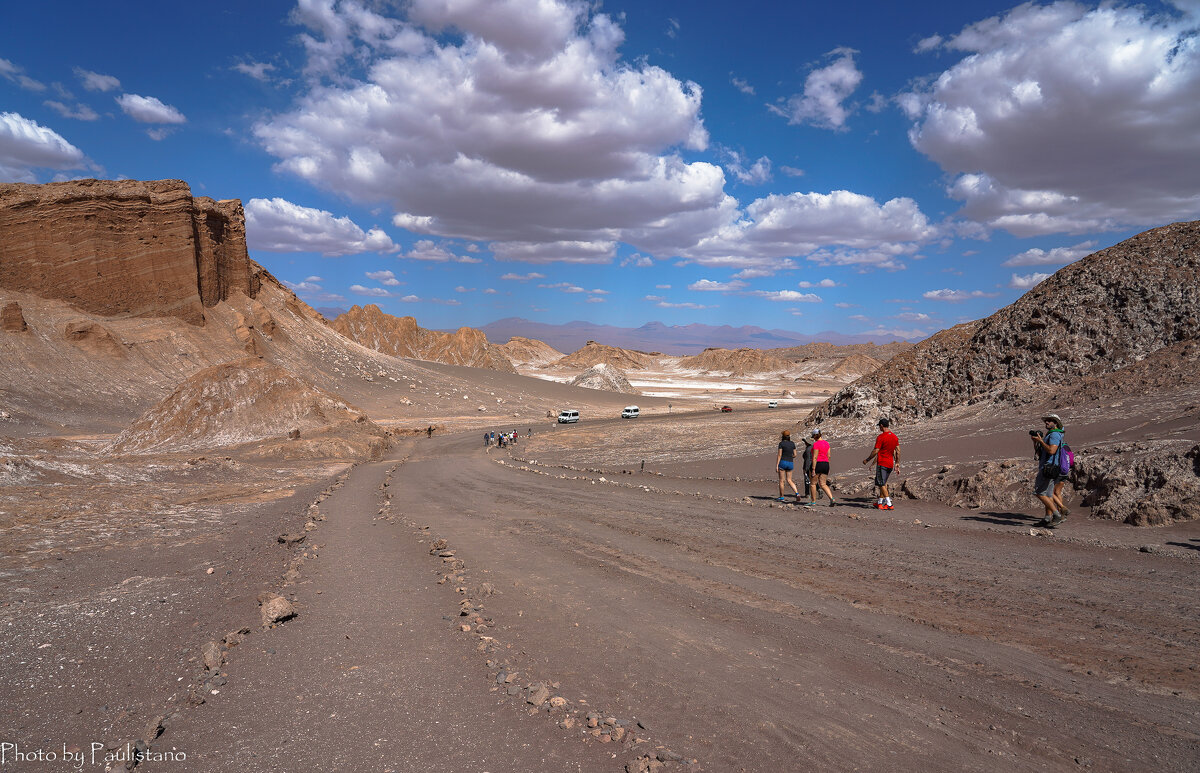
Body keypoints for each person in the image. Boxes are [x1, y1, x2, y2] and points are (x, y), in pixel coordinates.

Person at [1031, 413, 1066, 527]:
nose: (1046, 422)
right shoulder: (1051, 435)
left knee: (1039, 492)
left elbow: (1051, 451)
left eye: (1049, 420)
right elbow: (1041, 453)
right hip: (1049, 466)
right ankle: (1047, 518)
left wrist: (1041, 442)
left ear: (1055, 423)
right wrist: (1036, 442)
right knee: (1049, 494)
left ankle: (1057, 514)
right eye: (1046, 421)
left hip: (1048, 467)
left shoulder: (1054, 435)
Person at [862, 417, 900, 510]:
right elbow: (898, 451)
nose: (879, 428)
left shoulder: (881, 437)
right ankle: (879, 503)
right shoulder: (894, 437)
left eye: (879, 426)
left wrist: (867, 459)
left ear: (882, 426)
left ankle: (889, 503)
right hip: (890, 463)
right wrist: (897, 463)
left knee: (881, 483)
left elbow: (876, 451)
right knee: (884, 483)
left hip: (882, 463)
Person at [807, 428, 835, 507]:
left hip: (818, 464)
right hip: (826, 464)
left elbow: (815, 457)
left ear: (815, 436)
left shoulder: (816, 444)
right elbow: (829, 456)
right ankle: (832, 498)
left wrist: (813, 469)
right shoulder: (827, 443)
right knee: (823, 484)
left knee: (813, 483)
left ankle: (813, 501)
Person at [775, 430, 799, 501]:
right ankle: (797, 493)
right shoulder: (792, 444)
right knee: (789, 480)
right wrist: (790, 457)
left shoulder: (781, 444)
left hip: (783, 462)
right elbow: (795, 454)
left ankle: (781, 497)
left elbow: (779, 455)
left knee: (782, 481)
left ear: (783, 436)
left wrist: (777, 465)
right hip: (790, 463)